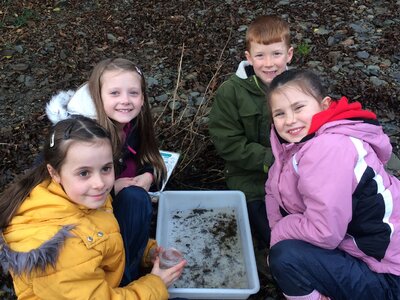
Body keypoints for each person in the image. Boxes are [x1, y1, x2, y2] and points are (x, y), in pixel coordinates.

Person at [0, 116, 186, 299]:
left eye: (106, 168)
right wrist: (155, 284)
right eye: (84, 173)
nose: (99, 183)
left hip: (97, 282)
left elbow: (103, 232)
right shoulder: (59, 251)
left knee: (134, 197)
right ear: (54, 172)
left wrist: (148, 252)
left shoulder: (70, 193)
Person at [265, 69, 400, 299]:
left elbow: (324, 232)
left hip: (387, 274)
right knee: (260, 217)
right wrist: (276, 229)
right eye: (279, 113)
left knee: (284, 257)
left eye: (299, 108)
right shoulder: (295, 141)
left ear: (324, 104)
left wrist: (278, 234)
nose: (289, 120)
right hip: (351, 245)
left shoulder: (328, 148)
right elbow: (272, 189)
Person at [45, 58, 167, 285]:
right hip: (85, 229)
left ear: (143, 97)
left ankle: (129, 270)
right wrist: (112, 189)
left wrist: (148, 176)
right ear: (97, 96)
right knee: (134, 198)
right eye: (114, 93)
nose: (125, 101)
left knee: (135, 197)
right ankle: (124, 281)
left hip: (119, 215)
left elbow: (154, 162)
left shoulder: (131, 125)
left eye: (133, 93)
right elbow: (68, 199)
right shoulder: (81, 140)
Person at [208, 15, 293, 253]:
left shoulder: (301, 87)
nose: (269, 63)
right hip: (252, 180)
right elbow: (228, 143)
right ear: (248, 58)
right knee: (273, 236)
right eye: (260, 55)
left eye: (277, 54)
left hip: (297, 174)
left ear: (289, 54)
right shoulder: (231, 92)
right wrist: (273, 160)